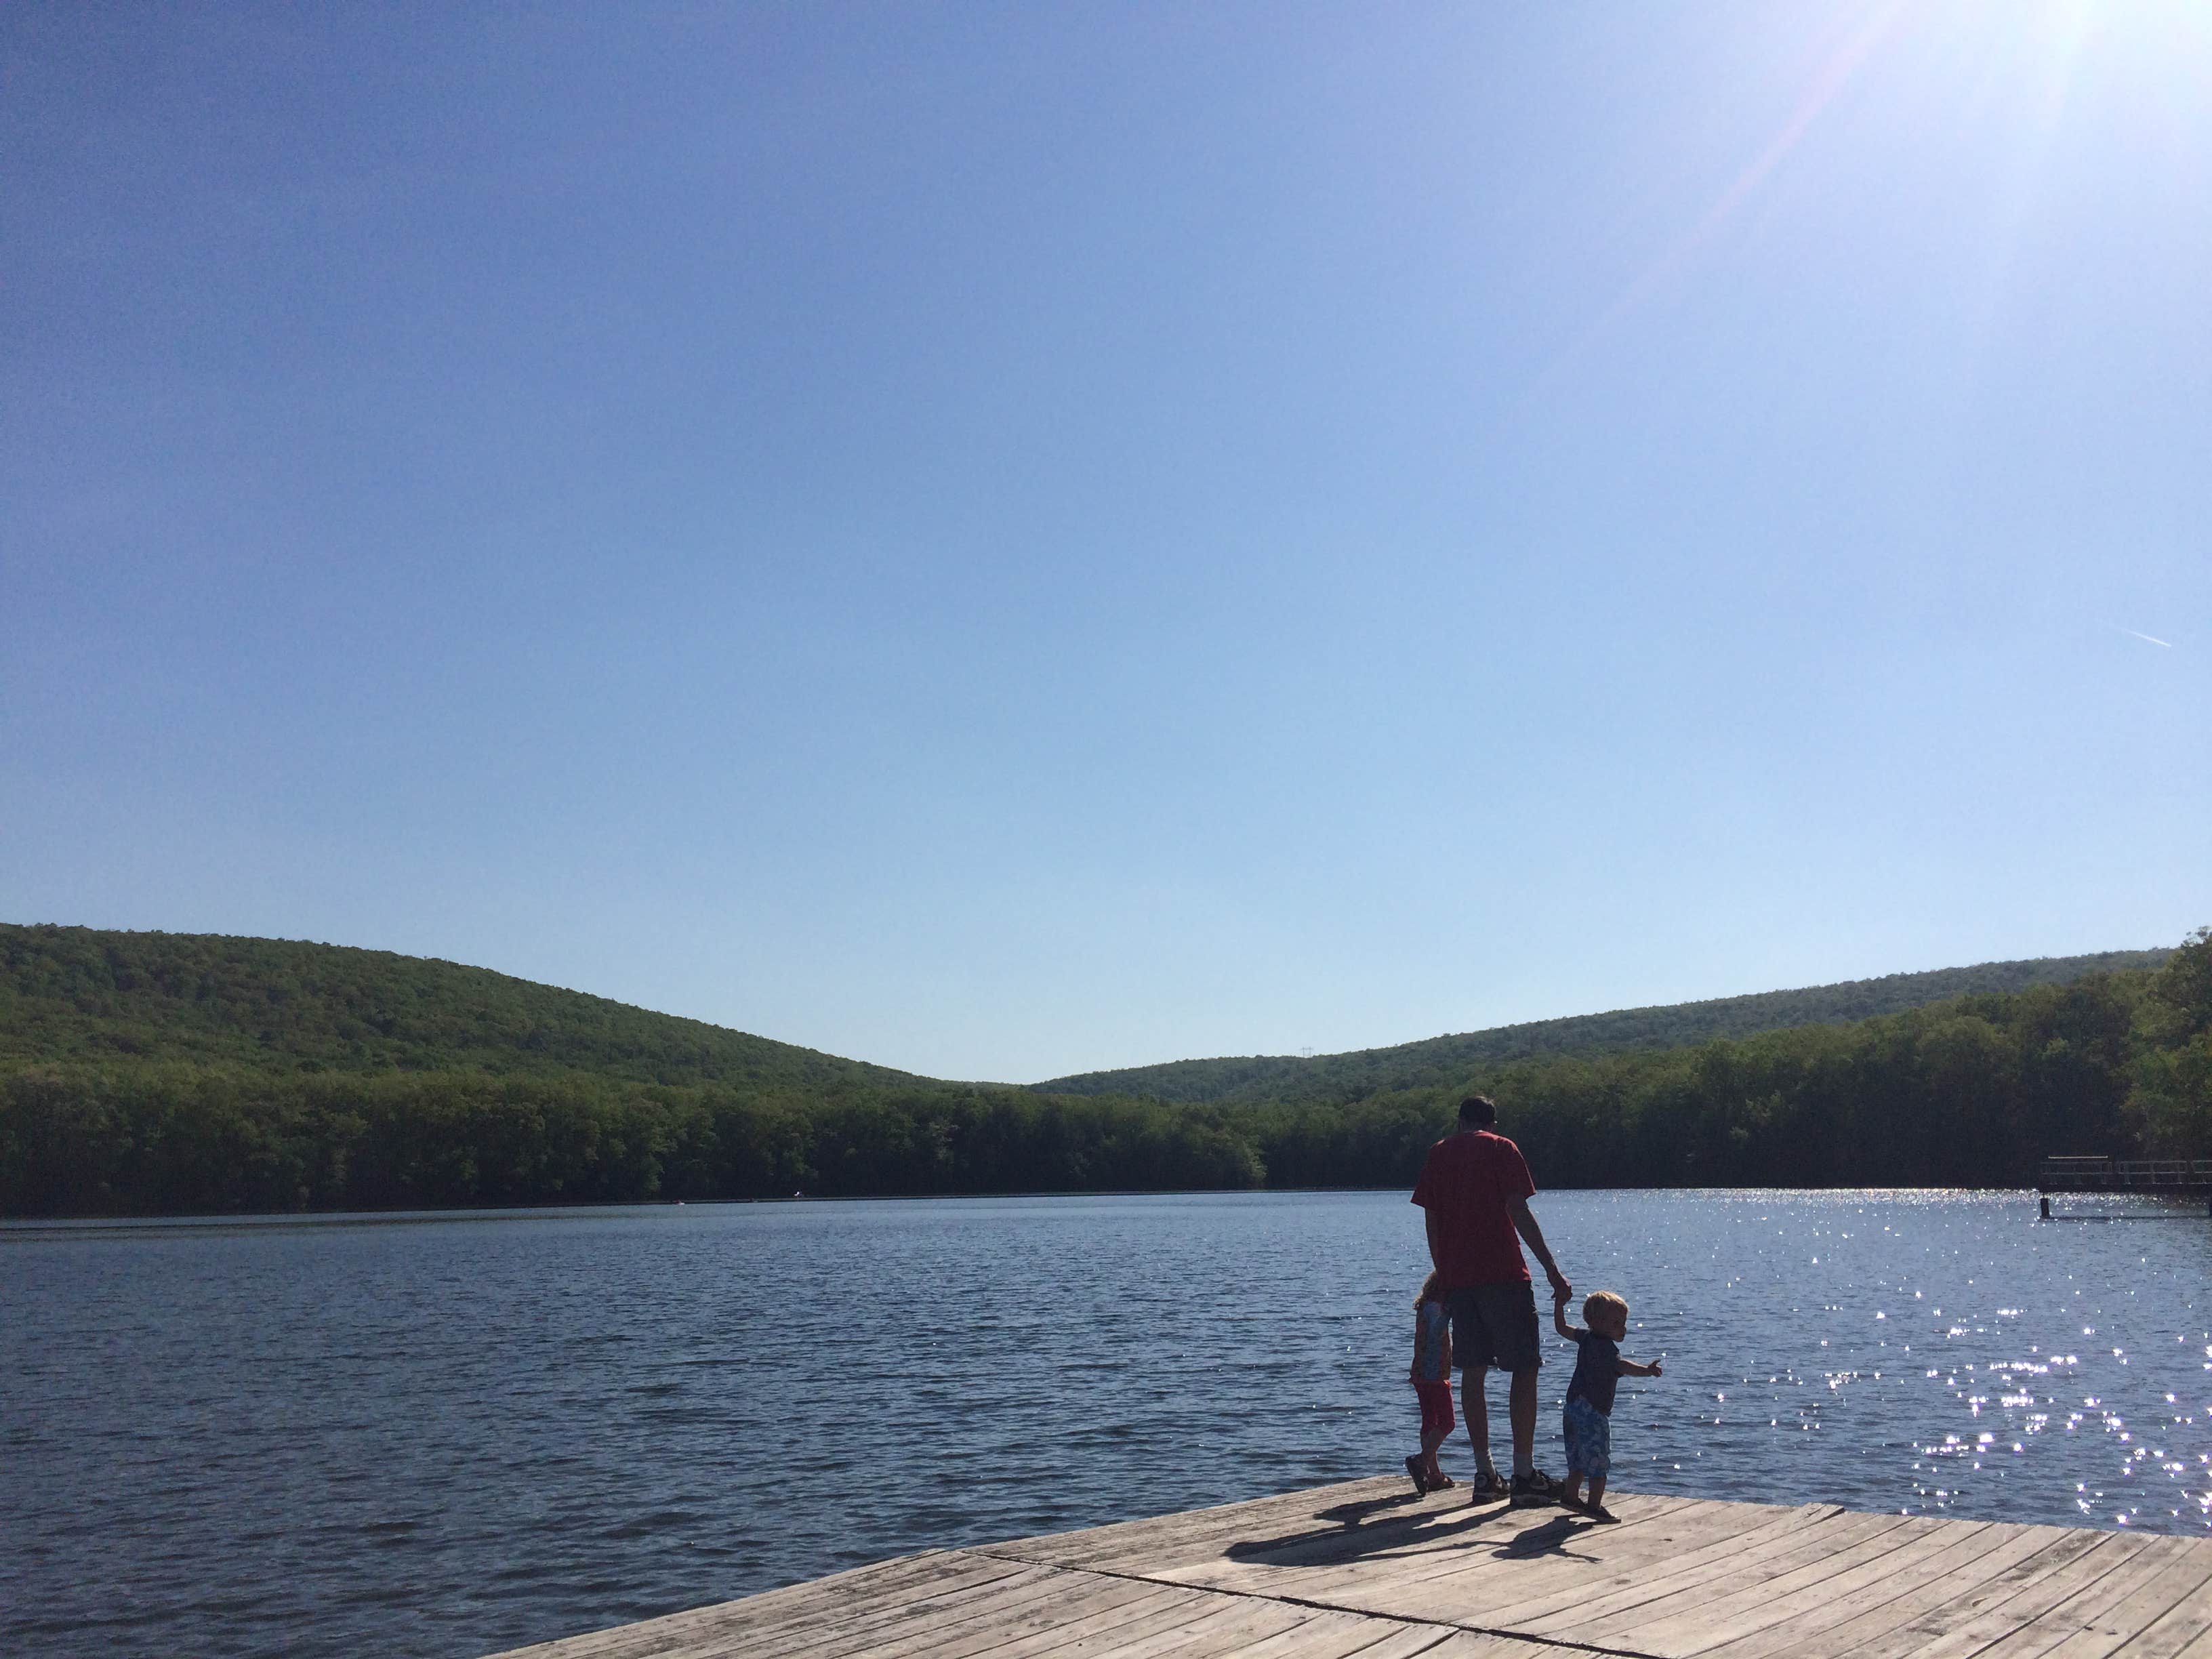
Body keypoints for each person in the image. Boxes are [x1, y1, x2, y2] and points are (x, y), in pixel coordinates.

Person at [1411, 1094, 1573, 1506]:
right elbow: (1517, 1208)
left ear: (1461, 1120)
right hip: (1504, 1276)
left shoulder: (1439, 1154)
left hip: (1460, 1281)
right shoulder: (1502, 1148)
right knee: (1524, 1369)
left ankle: (1484, 1473)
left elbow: (1432, 1220)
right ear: (1492, 1122)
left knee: (1473, 1372)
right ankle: (1523, 1472)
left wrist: (1444, 1272)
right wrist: (1552, 1267)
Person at [1551, 1289, 1662, 1522]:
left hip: (1572, 1406)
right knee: (1599, 1461)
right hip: (1593, 1411)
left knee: (1578, 1457)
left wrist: (1559, 1305)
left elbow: (1562, 1329)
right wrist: (1647, 1371)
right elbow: (1623, 1367)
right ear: (1596, 1322)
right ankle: (1594, 1506)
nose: (1623, 1328)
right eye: (1616, 1323)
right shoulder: (1607, 1350)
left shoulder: (1585, 1337)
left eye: (1623, 1323)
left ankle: (1571, 1496)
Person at [1404, 1270, 1459, 1495]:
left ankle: (1434, 1475)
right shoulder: (1438, 1309)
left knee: (1430, 1422)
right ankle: (1422, 1461)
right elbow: (1438, 1331)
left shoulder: (1425, 1307)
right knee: (1448, 1422)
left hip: (1419, 1373)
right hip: (1434, 1374)